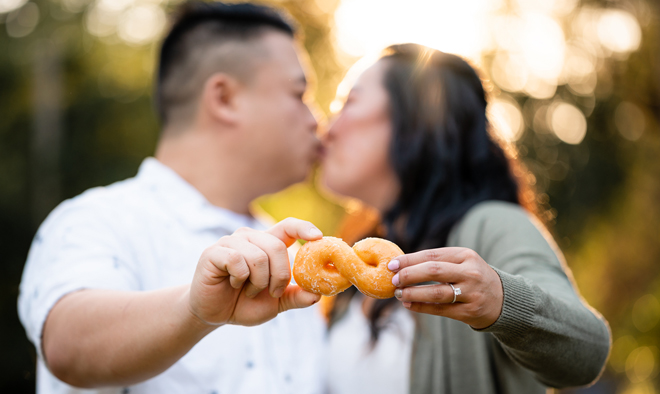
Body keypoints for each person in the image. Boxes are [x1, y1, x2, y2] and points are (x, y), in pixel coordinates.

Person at [18, 2, 328, 393]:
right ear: (224, 98)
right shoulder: (96, 220)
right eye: (299, 93)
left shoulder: (296, 259)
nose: (316, 120)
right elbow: (67, 347)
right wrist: (194, 311)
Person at [320, 43, 611, 394]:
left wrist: (500, 301)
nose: (327, 129)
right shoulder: (354, 255)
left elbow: (588, 350)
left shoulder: (492, 225)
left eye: (347, 104)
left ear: (414, 120)